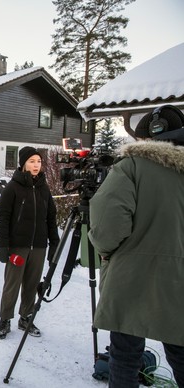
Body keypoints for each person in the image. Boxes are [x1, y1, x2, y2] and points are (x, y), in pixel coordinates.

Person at [88, 105, 184, 387]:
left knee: (126, 354)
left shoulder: (130, 167)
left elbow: (107, 225)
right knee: (179, 350)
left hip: (131, 278)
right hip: (178, 281)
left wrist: (105, 251)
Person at [0, 146, 59, 340]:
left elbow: (51, 217)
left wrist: (54, 242)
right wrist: (3, 246)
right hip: (18, 247)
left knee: (31, 285)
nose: (36, 165)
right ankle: (5, 320)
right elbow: (3, 219)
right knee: (12, 285)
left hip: (39, 246)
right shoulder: (12, 188)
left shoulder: (44, 188)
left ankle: (26, 318)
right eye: (32, 161)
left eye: (38, 161)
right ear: (23, 164)